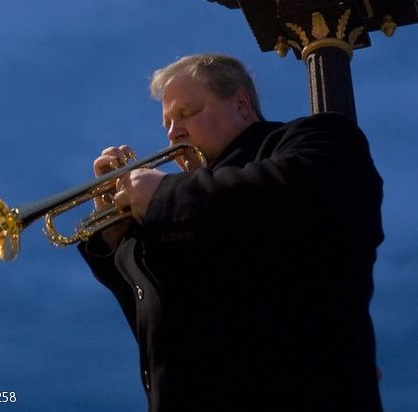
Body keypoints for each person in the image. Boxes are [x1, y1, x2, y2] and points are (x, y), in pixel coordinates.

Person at [79, 54, 384, 412]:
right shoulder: (185, 206)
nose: (173, 132)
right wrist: (116, 238)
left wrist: (162, 196)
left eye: (187, 113)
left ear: (241, 103)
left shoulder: (318, 138)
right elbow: (159, 314)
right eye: (166, 123)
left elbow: (294, 196)